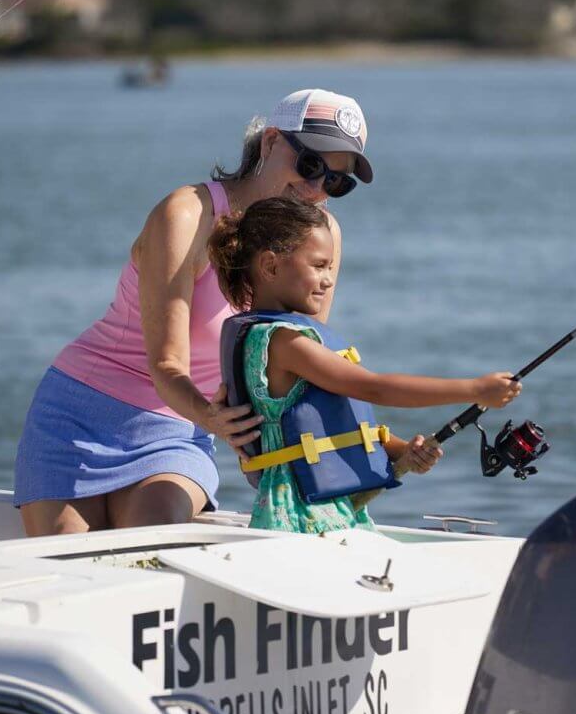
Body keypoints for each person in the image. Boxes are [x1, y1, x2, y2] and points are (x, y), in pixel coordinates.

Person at [14, 88, 373, 536]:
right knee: (69, 560)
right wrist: (216, 421)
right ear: (271, 142)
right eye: (310, 165)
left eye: (336, 182)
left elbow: (297, 370)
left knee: (152, 538)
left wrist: (379, 453)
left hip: (177, 427)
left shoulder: (324, 238)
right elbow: (165, 365)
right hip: (80, 411)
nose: (318, 188)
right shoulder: (188, 214)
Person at [208, 196, 522, 534]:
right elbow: (373, 387)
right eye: (318, 265)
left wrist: (402, 451)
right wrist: (474, 389)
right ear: (270, 266)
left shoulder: (278, 335)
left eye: (330, 268)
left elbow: (328, 430)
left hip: (324, 510)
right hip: (302, 518)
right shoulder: (284, 342)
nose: (328, 280)